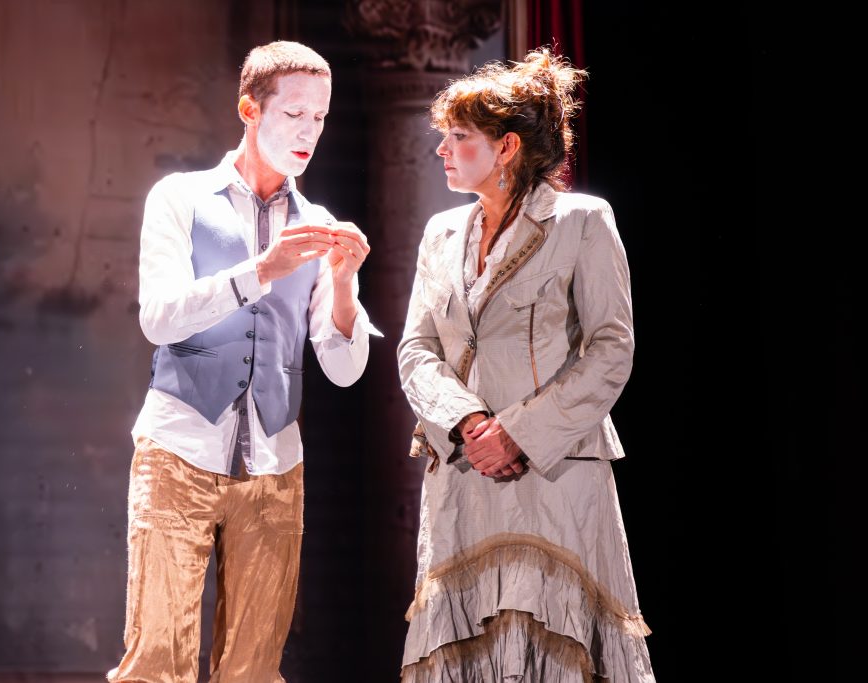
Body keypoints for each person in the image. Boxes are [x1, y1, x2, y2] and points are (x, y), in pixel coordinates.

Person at [108, 41, 379, 683]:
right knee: (156, 665)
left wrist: (343, 284)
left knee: (254, 670)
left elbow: (343, 369)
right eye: (294, 114)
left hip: (276, 467)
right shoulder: (180, 198)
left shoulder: (319, 225)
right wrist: (262, 270)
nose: (309, 131)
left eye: (320, 117)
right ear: (249, 110)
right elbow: (159, 318)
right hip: (178, 452)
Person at [397, 49, 655, 682]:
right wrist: (467, 423)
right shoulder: (440, 234)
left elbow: (610, 348)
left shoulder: (582, 221)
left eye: (459, 136)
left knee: (554, 647)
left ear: (507, 146)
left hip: (552, 471)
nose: (443, 149)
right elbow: (416, 349)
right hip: (465, 473)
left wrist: (516, 432)